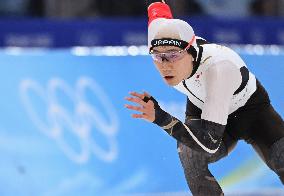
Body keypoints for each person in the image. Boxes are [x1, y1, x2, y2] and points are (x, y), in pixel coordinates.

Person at [125, 1, 284, 195]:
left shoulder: (218, 69)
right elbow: (158, 14)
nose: (165, 64)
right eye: (158, 57)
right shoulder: (160, 35)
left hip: (251, 111)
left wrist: (161, 117)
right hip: (201, 104)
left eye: (173, 55)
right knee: (189, 153)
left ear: (191, 53)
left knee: (281, 158)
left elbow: (209, 145)